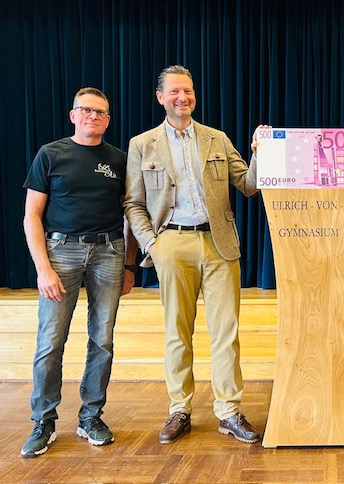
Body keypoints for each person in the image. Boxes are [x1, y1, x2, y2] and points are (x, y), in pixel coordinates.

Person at [124, 65, 263, 445]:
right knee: (177, 332)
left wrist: (260, 154)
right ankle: (179, 409)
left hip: (219, 244)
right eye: (174, 92)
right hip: (171, 243)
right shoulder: (143, 144)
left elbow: (248, 185)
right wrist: (152, 243)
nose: (182, 97)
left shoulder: (217, 139)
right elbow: (133, 202)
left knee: (226, 333)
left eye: (187, 91)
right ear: (160, 97)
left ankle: (229, 411)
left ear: (194, 96)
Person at [21, 87, 138, 457]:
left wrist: (129, 264)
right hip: (61, 253)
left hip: (109, 252)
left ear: (108, 120)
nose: (93, 116)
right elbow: (31, 215)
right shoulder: (51, 154)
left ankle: (90, 417)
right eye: (86, 110)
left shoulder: (119, 159)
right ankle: (43, 420)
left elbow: (131, 214)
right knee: (50, 341)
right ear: (73, 115)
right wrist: (43, 268)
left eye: (100, 112)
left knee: (102, 340)